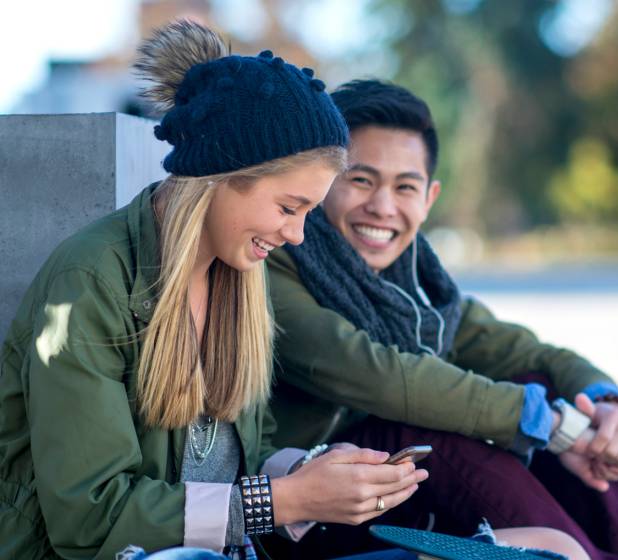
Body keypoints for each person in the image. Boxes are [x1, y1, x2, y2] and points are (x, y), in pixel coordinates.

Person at [0, 21, 426, 559]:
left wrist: (307, 472)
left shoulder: (239, 275)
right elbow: (90, 517)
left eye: (308, 213)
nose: (296, 235)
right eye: (288, 207)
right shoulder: (88, 282)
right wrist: (284, 501)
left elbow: (239, 454)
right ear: (219, 177)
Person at [266, 80, 618, 559]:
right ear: (321, 182)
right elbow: (378, 376)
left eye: (405, 187)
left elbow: (530, 354)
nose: (382, 207)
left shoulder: (418, 286)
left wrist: (607, 405)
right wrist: (547, 422)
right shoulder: (278, 259)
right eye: (361, 180)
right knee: (428, 427)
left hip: (388, 495)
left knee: (532, 385)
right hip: (304, 510)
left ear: (429, 198)